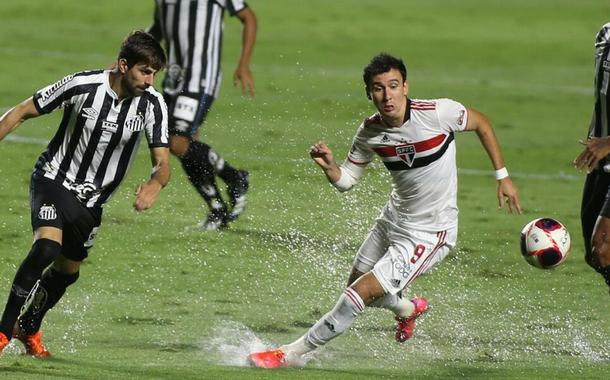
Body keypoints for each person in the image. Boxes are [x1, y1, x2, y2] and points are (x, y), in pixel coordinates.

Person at [248, 53, 522, 368]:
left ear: (405, 86)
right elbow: (347, 181)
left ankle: (289, 353)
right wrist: (331, 168)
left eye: (393, 85)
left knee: (358, 295)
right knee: (355, 288)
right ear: (370, 94)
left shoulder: (438, 113)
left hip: (430, 232)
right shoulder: (369, 132)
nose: (387, 95)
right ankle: (407, 309)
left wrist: (503, 177)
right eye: (378, 88)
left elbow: (481, 123)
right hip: (392, 220)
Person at [0, 30, 170, 357]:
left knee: (68, 272)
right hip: (54, 179)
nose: (150, 80)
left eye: (154, 73)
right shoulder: (82, 85)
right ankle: (5, 329)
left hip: (92, 203)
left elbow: (162, 161)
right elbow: (22, 111)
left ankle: (29, 326)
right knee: (48, 246)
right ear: (123, 65)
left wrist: (155, 184)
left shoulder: (153, 104)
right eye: (144, 71)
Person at [147, 0, 256, 231]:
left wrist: (244, 65)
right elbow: (159, 28)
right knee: (185, 146)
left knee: (176, 142)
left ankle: (234, 178)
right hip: (173, 80)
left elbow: (249, 18)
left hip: (201, 78)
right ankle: (217, 210)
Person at [574, 22, 610, 293]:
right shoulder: (605, 35)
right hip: (602, 159)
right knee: (595, 254)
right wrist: (596, 141)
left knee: (604, 248)